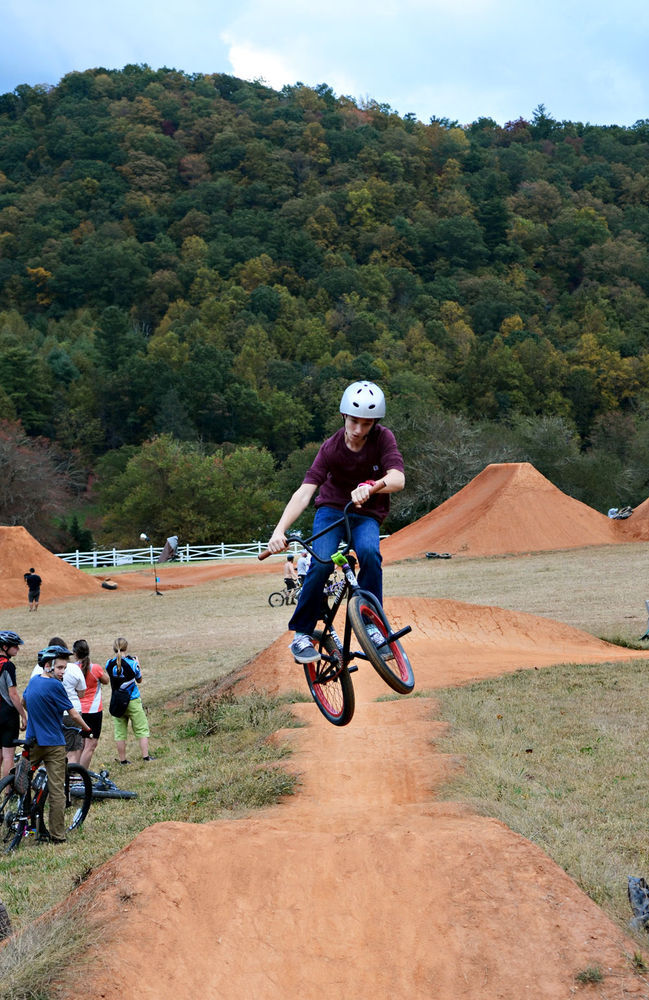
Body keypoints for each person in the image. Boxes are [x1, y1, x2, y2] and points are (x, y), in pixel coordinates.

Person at [266, 380, 405, 663]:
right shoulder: (330, 448)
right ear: (344, 416)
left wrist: (373, 486)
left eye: (366, 424)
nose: (358, 430)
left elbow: (398, 479)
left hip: (365, 513)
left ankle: (371, 624)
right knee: (322, 561)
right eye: (353, 421)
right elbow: (305, 492)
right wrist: (279, 530)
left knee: (369, 553)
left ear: (374, 423)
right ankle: (302, 633)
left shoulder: (383, 438)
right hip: (331, 509)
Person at [21, 650, 92, 843]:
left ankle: (25, 826)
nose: (63, 672)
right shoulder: (55, 686)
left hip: (32, 741)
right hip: (53, 744)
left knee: (22, 781)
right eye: (60, 667)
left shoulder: (33, 681)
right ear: (48, 666)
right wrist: (86, 729)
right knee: (57, 790)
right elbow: (74, 714)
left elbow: (24, 702)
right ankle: (57, 835)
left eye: (65, 668)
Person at [105, 637, 154, 763]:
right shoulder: (132, 664)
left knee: (120, 732)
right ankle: (146, 757)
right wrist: (138, 665)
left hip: (117, 701)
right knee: (141, 728)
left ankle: (123, 760)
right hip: (132, 700)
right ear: (126, 648)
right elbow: (139, 680)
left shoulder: (108, 664)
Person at [73, 639, 109, 770]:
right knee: (90, 746)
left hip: (77, 711)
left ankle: (72, 775)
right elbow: (106, 681)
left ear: (75, 654)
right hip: (93, 711)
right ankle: (81, 777)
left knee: (79, 745)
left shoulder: (72, 669)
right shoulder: (95, 668)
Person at [0, 631, 28, 779]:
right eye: (15, 646)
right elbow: (13, 694)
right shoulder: (8, 666)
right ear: (5, 647)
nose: (17, 649)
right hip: (7, 715)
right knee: (8, 756)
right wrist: (23, 715)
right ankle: (7, 792)